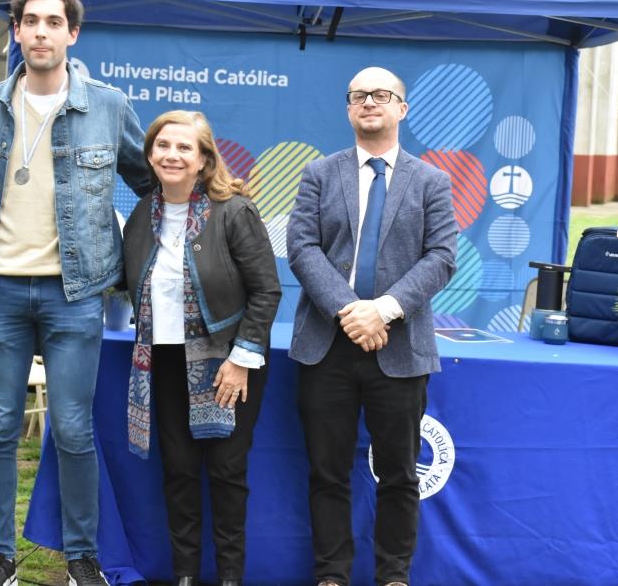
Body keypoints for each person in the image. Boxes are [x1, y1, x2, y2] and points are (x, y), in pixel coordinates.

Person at [0, 0, 150, 586]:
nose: (41, 32)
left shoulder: (109, 106)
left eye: (53, 22)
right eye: (30, 22)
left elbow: (153, 183)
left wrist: (130, 265)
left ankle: (81, 558)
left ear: (72, 33)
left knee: (72, 428)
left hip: (75, 293)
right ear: (15, 32)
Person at [287, 67, 458, 586]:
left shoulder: (431, 180)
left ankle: (393, 576)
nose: (368, 102)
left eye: (381, 95)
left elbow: (443, 257)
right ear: (348, 109)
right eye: (358, 95)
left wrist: (381, 309)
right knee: (327, 473)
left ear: (401, 108)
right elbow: (301, 247)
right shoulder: (319, 173)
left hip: (399, 348)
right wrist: (349, 310)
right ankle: (333, 575)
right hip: (327, 347)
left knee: (400, 475)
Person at [122, 110, 280, 586]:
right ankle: (185, 577)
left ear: (204, 159)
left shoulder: (234, 210)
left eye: (184, 148)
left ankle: (230, 578)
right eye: (163, 146)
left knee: (228, 474)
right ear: (149, 155)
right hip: (164, 363)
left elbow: (267, 290)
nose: (172, 155)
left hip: (227, 361)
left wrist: (241, 359)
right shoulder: (140, 215)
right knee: (179, 473)